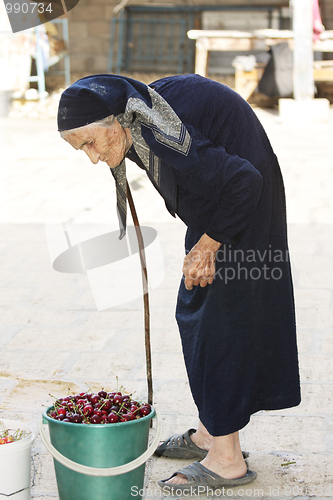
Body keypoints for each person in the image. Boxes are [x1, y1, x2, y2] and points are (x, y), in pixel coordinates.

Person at [57, 73, 301, 494]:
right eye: (82, 150)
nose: (93, 158)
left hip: (243, 203)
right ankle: (212, 432)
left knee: (218, 327)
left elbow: (244, 181)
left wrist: (208, 245)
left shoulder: (155, 126)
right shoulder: (132, 116)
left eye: (91, 143)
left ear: (115, 121)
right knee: (197, 311)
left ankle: (226, 460)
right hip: (222, 200)